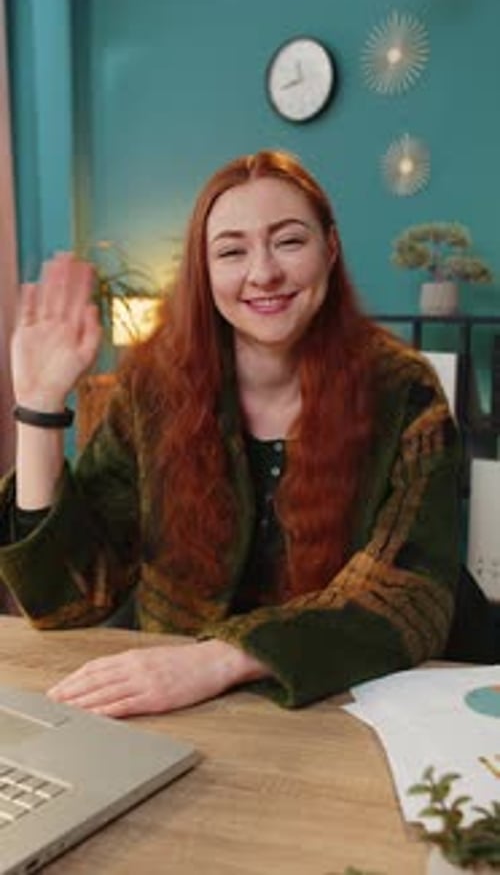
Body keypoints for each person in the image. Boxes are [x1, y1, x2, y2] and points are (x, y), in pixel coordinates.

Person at [0, 150, 461, 718]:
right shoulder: (153, 387)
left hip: (342, 704)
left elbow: (412, 595)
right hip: (178, 708)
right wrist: (39, 406)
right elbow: (65, 599)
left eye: (288, 241)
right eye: (231, 251)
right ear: (204, 269)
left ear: (330, 248)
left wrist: (221, 660)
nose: (263, 272)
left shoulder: (404, 391)